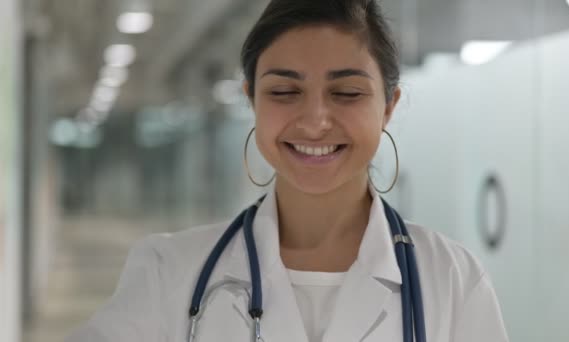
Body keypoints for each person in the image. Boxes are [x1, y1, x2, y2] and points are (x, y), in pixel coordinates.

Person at [67, 0, 509, 341]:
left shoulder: (452, 282)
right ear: (252, 100)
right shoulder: (168, 272)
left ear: (388, 107)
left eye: (347, 92)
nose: (315, 120)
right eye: (284, 91)